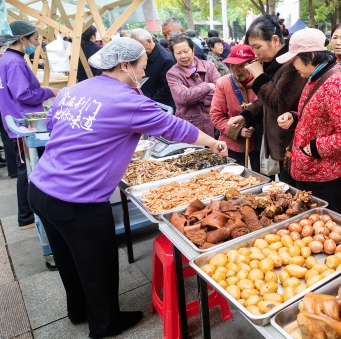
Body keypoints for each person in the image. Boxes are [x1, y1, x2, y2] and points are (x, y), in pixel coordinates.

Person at [27, 37, 227, 339]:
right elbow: (173, 127)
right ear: (125, 65)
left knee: (67, 258)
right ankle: (105, 324)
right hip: (78, 201)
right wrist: (212, 142)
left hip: (41, 188)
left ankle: (78, 311)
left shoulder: (73, 90)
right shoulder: (128, 100)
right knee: (97, 264)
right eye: (142, 67)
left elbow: (55, 127)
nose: (144, 73)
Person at [277, 28, 341, 212]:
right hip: (310, 170)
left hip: (326, 177)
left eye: (295, 59)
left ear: (312, 56)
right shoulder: (315, 76)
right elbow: (317, 115)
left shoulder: (337, 82)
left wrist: (313, 149)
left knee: (320, 225)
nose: (292, 65)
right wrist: (294, 117)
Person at [227, 14, 305, 185]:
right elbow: (264, 101)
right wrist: (245, 116)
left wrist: (259, 77)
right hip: (280, 143)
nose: (255, 53)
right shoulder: (272, 63)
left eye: (257, 47)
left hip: (291, 145)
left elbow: (278, 104)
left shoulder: (291, 65)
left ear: (275, 40)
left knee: (291, 190)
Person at [0, 21, 58, 229]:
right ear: (22, 39)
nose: (37, 43)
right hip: (23, 121)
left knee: (28, 167)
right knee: (27, 169)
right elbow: (23, 94)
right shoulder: (14, 62)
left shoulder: (8, 59)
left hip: (18, 118)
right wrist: (49, 91)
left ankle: (30, 214)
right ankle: (25, 217)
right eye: (34, 39)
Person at [211, 44, 260, 172]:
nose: (237, 71)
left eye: (241, 66)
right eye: (232, 66)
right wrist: (238, 130)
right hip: (232, 145)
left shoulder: (262, 81)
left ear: (252, 63)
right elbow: (216, 116)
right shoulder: (223, 83)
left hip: (259, 145)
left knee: (262, 179)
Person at [166, 34, 221, 136]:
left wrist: (192, 93)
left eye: (186, 51)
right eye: (178, 53)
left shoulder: (209, 65)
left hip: (213, 121)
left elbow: (221, 91)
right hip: (189, 125)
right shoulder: (172, 74)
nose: (183, 56)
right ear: (173, 54)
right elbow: (182, 98)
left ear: (192, 49)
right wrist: (209, 86)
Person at [129, 28, 176, 111]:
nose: (136, 49)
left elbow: (167, 88)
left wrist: (149, 102)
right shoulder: (145, 54)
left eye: (138, 46)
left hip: (159, 106)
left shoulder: (165, 59)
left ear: (149, 41)